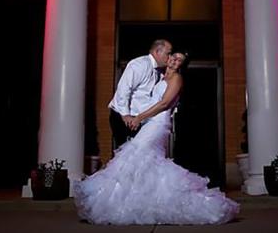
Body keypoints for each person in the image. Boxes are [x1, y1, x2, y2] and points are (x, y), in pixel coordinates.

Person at [73, 52, 240, 225]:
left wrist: (139, 117)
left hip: (158, 124)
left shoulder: (176, 79)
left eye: (179, 60)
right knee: (146, 163)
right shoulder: (159, 77)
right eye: (174, 57)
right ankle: (140, 204)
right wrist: (129, 114)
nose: (175, 60)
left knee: (134, 155)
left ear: (181, 65)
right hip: (149, 123)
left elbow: (164, 104)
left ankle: (121, 203)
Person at [108, 39, 172, 149]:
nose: (169, 57)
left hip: (138, 119)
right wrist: (125, 115)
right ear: (157, 52)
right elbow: (124, 89)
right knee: (126, 154)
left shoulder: (159, 71)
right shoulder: (140, 64)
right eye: (168, 53)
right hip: (125, 117)